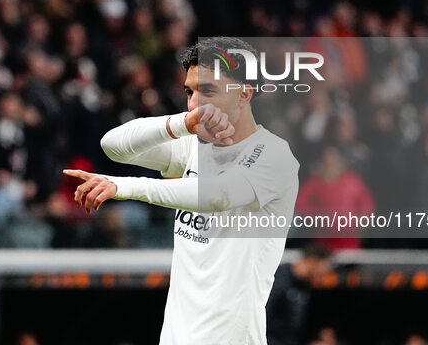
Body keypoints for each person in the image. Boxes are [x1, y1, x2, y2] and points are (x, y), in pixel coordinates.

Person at [64, 37, 300, 345]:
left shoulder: (274, 155)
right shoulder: (192, 146)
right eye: (190, 91)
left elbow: (217, 196)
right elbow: (112, 146)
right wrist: (180, 125)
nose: (194, 103)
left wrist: (125, 186)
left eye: (208, 90)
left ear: (244, 94)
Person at [266, 243, 332, 345]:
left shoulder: (305, 285)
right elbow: (265, 319)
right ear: (313, 261)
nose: (324, 274)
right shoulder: (279, 278)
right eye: (324, 268)